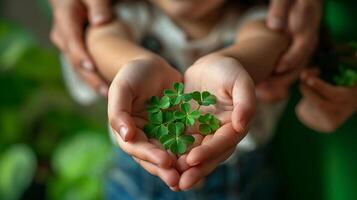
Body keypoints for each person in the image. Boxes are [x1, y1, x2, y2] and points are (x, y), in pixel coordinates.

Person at [49, 0, 322, 101]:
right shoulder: (134, 13)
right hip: (135, 183)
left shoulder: (254, 16)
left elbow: (266, 43)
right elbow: (102, 39)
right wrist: (139, 63)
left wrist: (229, 64)